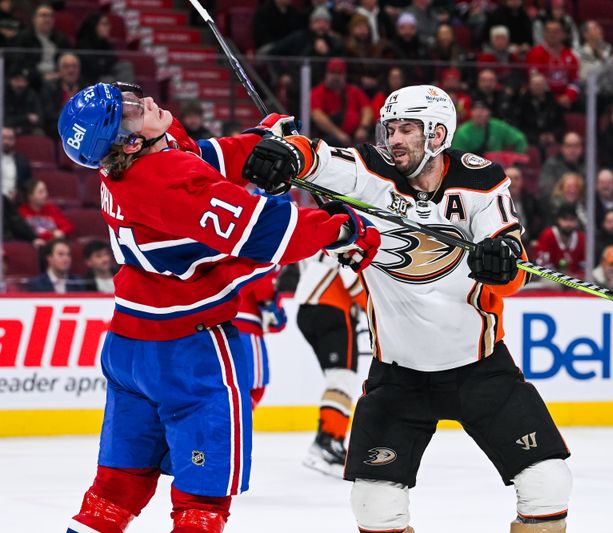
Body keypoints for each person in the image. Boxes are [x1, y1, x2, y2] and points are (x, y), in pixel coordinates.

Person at [244, 85, 572, 533]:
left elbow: (511, 265)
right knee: (373, 505)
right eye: (390, 128)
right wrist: (286, 155)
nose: (394, 138)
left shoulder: (481, 180)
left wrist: (500, 263)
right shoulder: (370, 171)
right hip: (399, 375)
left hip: (480, 369)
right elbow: (318, 158)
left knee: (547, 483)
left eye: (407, 129)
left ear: (438, 133)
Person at [57, 82, 380, 533]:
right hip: (189, 352)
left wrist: (259, 141)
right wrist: (342, 229)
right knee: (201, 505)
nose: (143, 101)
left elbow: (198, 156)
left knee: (112, 493)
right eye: (130, 111)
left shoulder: (130, 165)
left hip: (129, 346)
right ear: (130, 141)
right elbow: (266, 231)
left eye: (131, 96)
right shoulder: (165, 179)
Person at [294, 252, 365, 476]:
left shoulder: (315, 226)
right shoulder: (344, 222)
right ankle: (328, 442)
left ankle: (328, 441)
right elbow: (350, 270)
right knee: (342, 378)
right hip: (332, 305)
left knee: (339, 377)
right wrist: (373, 306)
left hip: (310, 307)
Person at [232, 270, 286, 409]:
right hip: (245, 330)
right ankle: (235, 428)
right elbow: (263, 284)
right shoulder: (258, 254)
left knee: (223, 388)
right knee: (253, 388)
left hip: (214, 328)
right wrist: (272, 305)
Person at [310, 58, 374, 147]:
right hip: (329, 139)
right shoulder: (317, 92)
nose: (336, 77)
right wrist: (338, 134)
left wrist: (363, 128)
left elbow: (367, 110)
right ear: (326, 74)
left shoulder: (354, 91)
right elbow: (318, 116)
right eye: (333, 73)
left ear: (344, 75)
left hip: (355, 137)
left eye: (339, 73)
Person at [525, 18, 580, 109]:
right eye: (549, 31)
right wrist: (555, 99)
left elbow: (574, 81)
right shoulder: (535, 53)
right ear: (544, 34)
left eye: (556, 32)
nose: (552, 35)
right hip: (543, 98)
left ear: (563, 35)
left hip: (565, 98)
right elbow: (535, 79)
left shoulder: (570, 55)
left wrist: (569, 96)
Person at [451, 99, 528, 155]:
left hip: (497, 168)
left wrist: (516, 161)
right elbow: (457, 156)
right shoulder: (463, 132)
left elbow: (520, 139)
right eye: (476, 110)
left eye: (482, 110)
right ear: (471, 113)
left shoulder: (498, 126)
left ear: (489, 113)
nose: (479, 114)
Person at [535, 202, 587, 278]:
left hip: (575, 279)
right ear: (558, 220)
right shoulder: (548, 235)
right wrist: (561, 277)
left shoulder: (581, 237)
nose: (568, 224)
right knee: (552, 285)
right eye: (564, 219)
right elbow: (542, 265)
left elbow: (585, 265)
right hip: (552, 278)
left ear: (576, 221)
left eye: (572, 220)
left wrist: (576, 276)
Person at [538, 131, 584, 201]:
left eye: (576, 146)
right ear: (562, 148)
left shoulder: (588, 166)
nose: (572, 150)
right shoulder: (551, 165)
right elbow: (546, 190)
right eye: (568, 146)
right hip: (557, 207)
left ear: (581, 148)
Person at [1, 126, 32, 200]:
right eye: (3, 138)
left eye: (10, 139)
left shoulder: (22, 161)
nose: (6, 142)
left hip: (15, 202)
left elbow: (28, 183)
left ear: (14, 140)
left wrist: (19, 193)